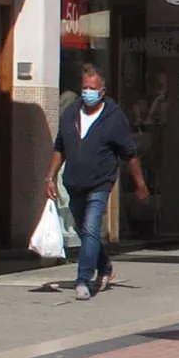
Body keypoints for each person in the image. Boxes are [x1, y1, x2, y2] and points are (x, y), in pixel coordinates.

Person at [45, 66, 149, 301]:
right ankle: (105, 267)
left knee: (91, 229)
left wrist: (140, 185)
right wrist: (49, 177)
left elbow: (130, 154)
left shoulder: (114, 117)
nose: (87, 92)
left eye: (92, 89)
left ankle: (83, 279)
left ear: (102, 91)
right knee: (85, 232)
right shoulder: (71, 113)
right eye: (84, 88)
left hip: (100, 183)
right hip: (73, 182)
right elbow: (59, 147)